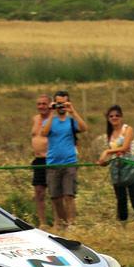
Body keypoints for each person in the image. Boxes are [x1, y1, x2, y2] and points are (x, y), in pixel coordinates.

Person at [39, 90, 88, 230]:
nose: (61, 106)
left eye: (63, 103)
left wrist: (72, 111)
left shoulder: (71, 120)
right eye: (58, 103)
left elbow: (84, 128)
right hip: (53, 162)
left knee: (69, 195)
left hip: (70, 162)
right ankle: (62, 222)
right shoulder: (50, 120)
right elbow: (44, 132)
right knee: (55, 197)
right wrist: (52, 112)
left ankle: (72, 223)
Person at [98, 105, 134, 229]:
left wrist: (107, 152)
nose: (114, 118)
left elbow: (125, 147)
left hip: (131, 167)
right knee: (121, 199)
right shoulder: (110, 134)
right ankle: (123, 225)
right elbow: (113, 154)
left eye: (117, 115)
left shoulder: (127, 129)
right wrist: (103, 162)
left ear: (121, 117)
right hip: (117, 170)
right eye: (111, 116)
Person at [29, 95, 51, 227]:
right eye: (39, 104)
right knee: (38, 191)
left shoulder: (53, 119)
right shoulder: (35, 118)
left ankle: (59, 221)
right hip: (38, 160)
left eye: (44, 104)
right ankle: (43, 222)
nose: (41, 107)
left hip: (51, 159)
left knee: (55, 193)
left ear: (50, 105)